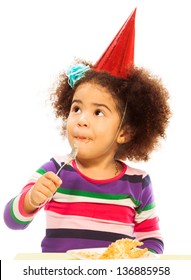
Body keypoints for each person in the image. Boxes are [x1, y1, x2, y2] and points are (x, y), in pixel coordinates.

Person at [3, 10, 171, 254]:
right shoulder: (53, 170)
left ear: (124, 132)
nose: (81, 120)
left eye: (98, 112)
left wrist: (142, 259)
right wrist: (31, 199)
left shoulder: (138, 183)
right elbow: (12, 220)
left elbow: (152, 240)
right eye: (76, 108)